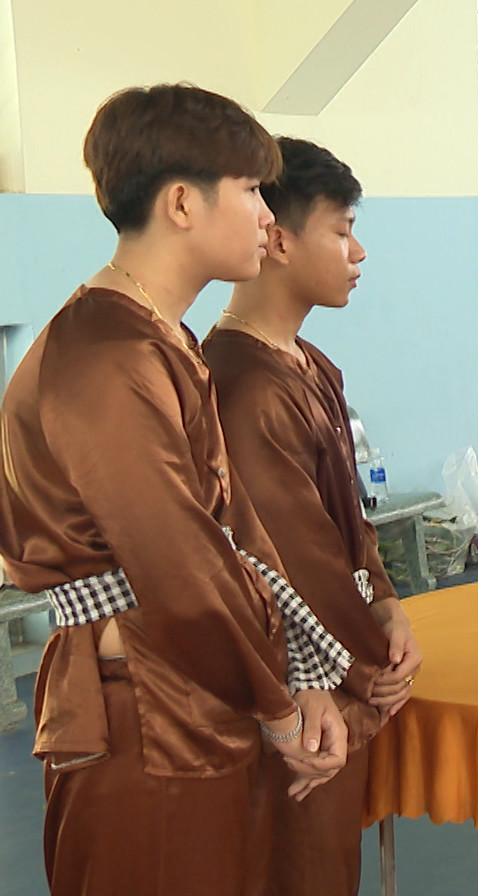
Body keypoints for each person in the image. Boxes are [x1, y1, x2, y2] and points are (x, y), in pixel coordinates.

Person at [0, 85, 350, 896]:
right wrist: (280, 707)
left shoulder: (161, 338)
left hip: (192, 689)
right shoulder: (108, 356)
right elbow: (182, 565)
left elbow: (232, 531)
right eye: (252, 190)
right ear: (183, 203)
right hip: (144, 709)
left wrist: (296, 678)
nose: (267, 215)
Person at [203, 137, 423, 896]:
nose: (357, 252)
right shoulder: (243, 386)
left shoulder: (311, 365)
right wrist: (366, 666)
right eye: (341, 230)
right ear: (277, 237)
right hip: (298, 687)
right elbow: (296, 563)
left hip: (339, 662)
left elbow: (348, 528)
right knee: (296, 870)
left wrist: (388, 605)